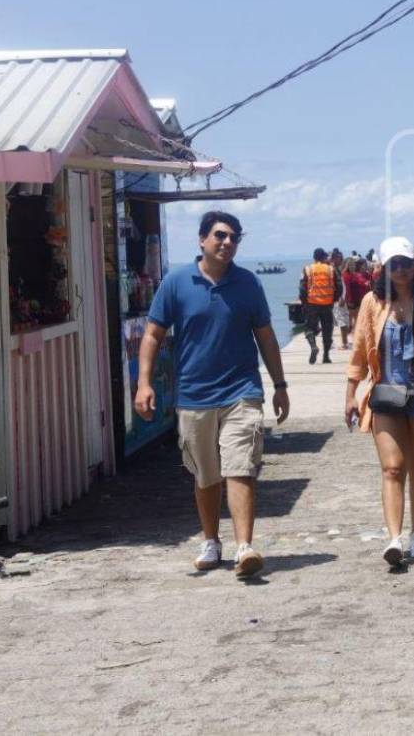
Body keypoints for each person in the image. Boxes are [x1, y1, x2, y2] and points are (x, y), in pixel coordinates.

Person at [135, 210, 290, 578]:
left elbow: (265, 336)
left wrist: (280, 386)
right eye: (220, 236)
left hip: (242, 391)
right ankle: (211, 540)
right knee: (206, 475)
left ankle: (244, 547)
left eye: (234, 237)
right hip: (194, 394)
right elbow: (153, 335)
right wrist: (144, 384)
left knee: (241, 467)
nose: (227, 243)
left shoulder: (248, 284)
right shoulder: (176, 282)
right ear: (202, 239)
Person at [345, 237, 414, 569]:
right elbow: (361, 349)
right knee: (393, 467)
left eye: (406, 263)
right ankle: (394, 538)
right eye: (394, 264)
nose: (402, 270)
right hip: (386, 394)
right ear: (383, 268)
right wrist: (350, 394)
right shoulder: (371, 302)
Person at [301, 248, 342, 364]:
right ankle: (326, 356)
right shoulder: (331, 269)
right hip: (327, 304)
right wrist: (334, 299)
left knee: (309, 328)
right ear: (324, 257)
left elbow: (302, 288)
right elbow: (339, 286)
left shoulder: (308, 269)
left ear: (314, 258)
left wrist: (305, 302)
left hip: (312, 304)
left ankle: (314, 346)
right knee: (327, 330)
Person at [342, 257, 372, 336]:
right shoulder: (357, 275)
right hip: (358, 299)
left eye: (366, 265)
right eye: (364, 265)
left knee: (359, 318)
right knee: (356, 317)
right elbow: (364, 283)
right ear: (359, 266)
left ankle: (355, 332)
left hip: (366, 299)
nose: (365, 266)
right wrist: (348, 299)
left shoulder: (367, 274)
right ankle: (354, 332)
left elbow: (371, 284)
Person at [331, 250, 351, 350]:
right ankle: (344, 343)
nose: (342, 259)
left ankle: (344, 343)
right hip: (337, 299)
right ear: (334, 258)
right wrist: (342, 297)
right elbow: (338, 286)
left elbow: (341, 285)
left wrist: (343, 297)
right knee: (342, 321)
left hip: (338, 299)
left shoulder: (336, 269)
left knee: (342, 321)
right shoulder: (333, 270)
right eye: (340, 258)